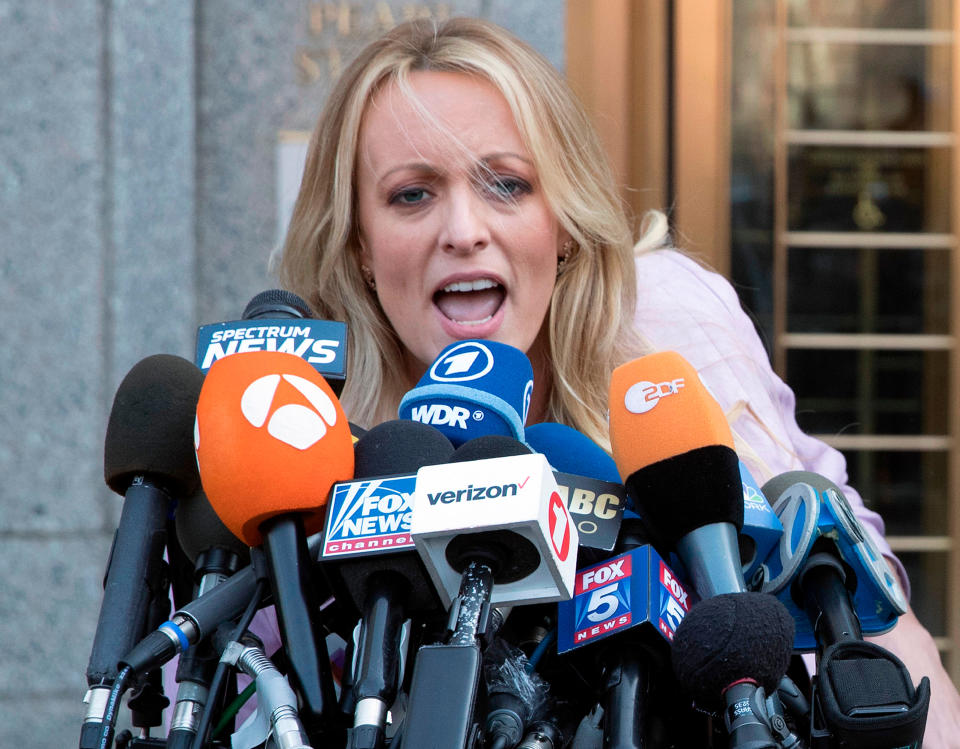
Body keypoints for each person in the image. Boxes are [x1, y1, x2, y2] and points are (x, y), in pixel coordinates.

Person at [275, 16, 960, 746]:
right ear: (361, 246)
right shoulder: (308, 443)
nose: (464, 229)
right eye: (413, 195)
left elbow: (864, 617)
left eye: (506, 184)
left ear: (562, 221)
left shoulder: (669, 320)